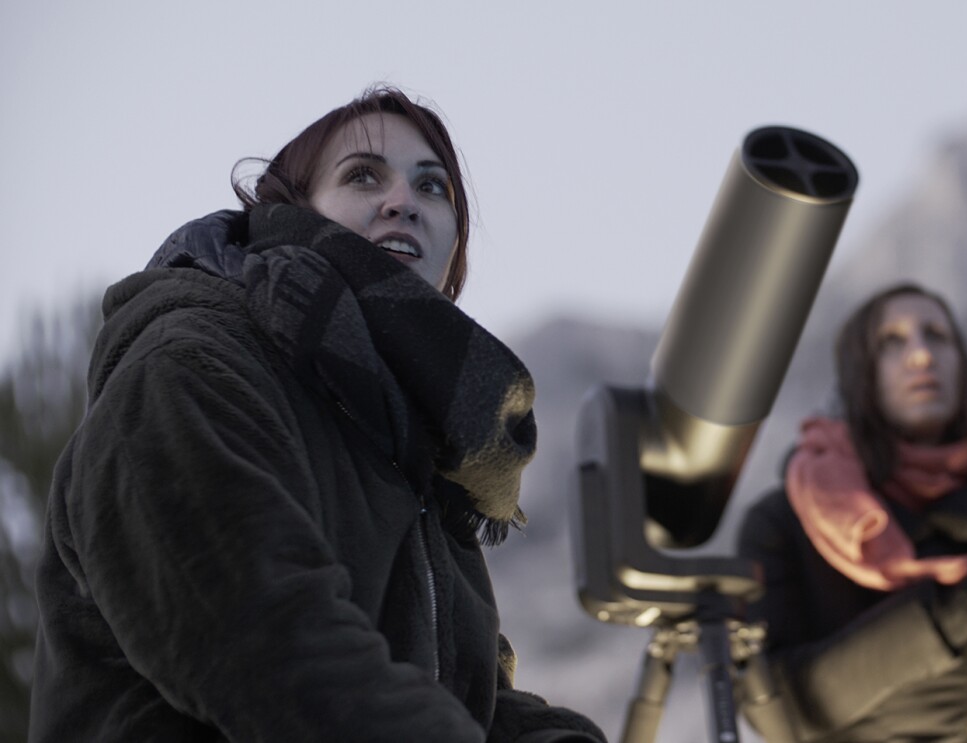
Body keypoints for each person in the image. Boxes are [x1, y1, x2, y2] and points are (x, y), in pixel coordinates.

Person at [31, 87, 605, 742]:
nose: (403, 201)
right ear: (290, 210)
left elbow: (465, 698)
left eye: (433, 187)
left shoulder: (410, 455)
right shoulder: (187, 370)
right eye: (364, 175)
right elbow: (274, 652)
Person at [737, 283, 967, 743]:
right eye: (892, 342)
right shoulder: (785, 521)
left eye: (937, 336)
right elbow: (774, 713)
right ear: (857, 372)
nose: (922, 356)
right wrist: (948, 611)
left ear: (964, 364)